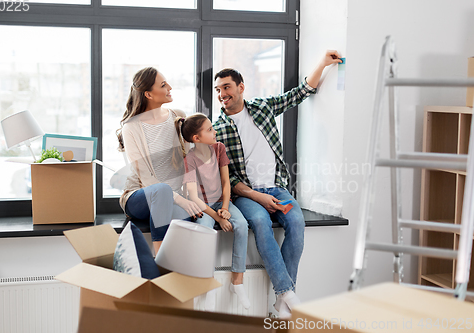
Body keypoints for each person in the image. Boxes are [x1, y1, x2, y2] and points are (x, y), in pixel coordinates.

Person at [212, 50, 342, 317]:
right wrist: (258, 198)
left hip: (276, 187)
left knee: (296, 222)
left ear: (241, 87)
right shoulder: (218, 129)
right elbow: (229, 178)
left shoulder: (262, 108)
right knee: (260, 222)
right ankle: (286, 293)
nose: (221, 94)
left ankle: (283, 298)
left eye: (226, 87)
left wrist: (323, 63)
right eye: (217, 90)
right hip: (247, 196)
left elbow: (300, 93)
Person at [117, 67, 203, 255]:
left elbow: (188, 162)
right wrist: (180, 199)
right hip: (139, 197)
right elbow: (146, 179)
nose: (169, 87)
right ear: (148, 94)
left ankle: (176, 273)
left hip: (172, 201)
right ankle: (159, 261)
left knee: (185, 230)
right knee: (162, 190)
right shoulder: (131, 127)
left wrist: (190, 198)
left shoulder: (178, 117)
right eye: (163, 85)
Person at [175, 113, 250, 310]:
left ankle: (238, 282)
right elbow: (193, 196)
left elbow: (226, 183)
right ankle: (208, 284)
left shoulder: (219, 149)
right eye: (209, 129)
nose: (215, 131)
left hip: (221, 202)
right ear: (196, 138)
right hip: (204, 208)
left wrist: (225, 208)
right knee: (205, 232)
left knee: (242, 225)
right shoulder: (189, 159)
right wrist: (217, 216)